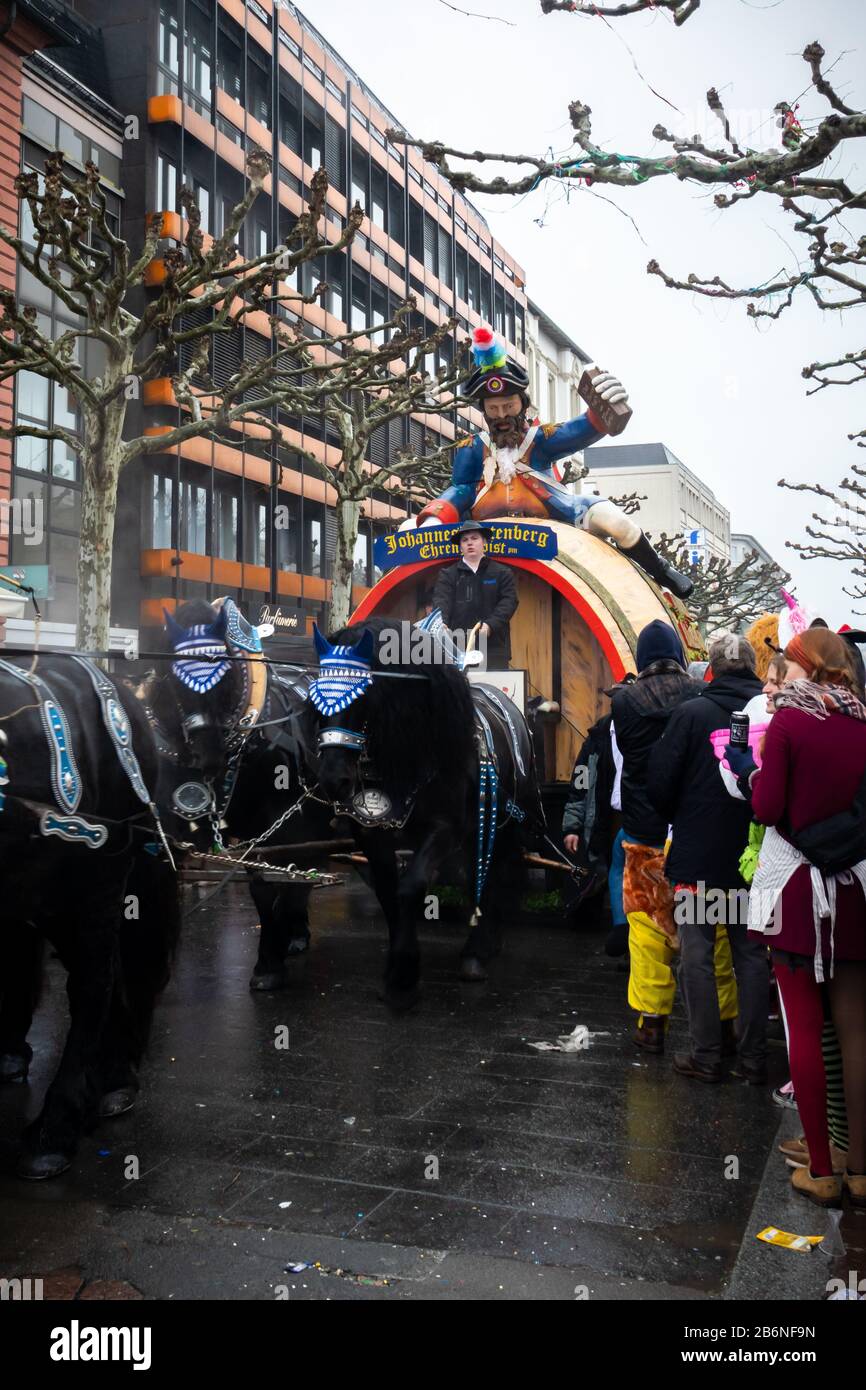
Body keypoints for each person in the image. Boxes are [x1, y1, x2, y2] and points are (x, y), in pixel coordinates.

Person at [728, 628, 866, 1208]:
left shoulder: (787, 722)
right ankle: (860, 1169)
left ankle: (820, 1168)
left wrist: (752, 771)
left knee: (803, 1032)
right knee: (857, 1033)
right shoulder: (863, 723)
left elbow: (766, 807)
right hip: (855, 890)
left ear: (806, 668)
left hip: (795, 893)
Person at [410, 326, 693, 600]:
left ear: (522, 403)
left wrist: (604, 405)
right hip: (486, 529)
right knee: (409, 531)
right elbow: (460, 490)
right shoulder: (472, 448)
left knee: (617, 523)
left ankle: (661, 571)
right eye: (493, 409)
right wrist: (435, 516)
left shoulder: (541, 439)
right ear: (483, 411)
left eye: (509, 406)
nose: (502, 415)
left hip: (555, 517)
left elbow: (582, 429)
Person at [611, 620, 738, 1052]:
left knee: (647, 929)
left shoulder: (624, 702)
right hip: (693, 830)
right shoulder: (700, 697)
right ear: (680, 656)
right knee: (713, 929)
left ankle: (652, 1023)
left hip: (644, 832)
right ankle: (724, 1023)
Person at [647, 632, 768, 1082]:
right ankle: (755, 1060)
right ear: (755, 668)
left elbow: (659, 780)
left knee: (696, 953)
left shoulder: (691, 714)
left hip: (698, 858)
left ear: (711, 669)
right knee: (751, 955)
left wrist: (680, 813)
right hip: (753, 857)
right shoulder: (771, 715)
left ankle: (706, 1054)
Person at [562, 708, 626, 950]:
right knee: (596, 876)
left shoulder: (645, 735)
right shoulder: (596, 738)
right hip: (599, 825)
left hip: (634, 824)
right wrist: (572, 826)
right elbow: (579, 785)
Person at [431, 520, 518, 668]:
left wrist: (491, 625)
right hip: (457, 648)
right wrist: (442, 623)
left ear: (484, 542)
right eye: (465, 540)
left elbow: (509, 601)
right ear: (460, 546)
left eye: (474, 538)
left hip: (494, 648)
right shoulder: (448, 575)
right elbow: (441, 601)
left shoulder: (502, 573)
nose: (469, 543)